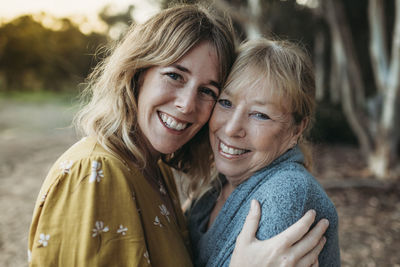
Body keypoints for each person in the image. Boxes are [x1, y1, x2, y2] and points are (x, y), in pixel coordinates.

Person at [28, 5, 329, 267]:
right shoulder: (95, 174)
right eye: (175, 76)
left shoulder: (155, 170)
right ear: (138, 72)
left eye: (208, 91)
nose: (187, 104)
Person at [188, 38, 341, 267]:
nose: (231, 129)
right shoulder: (215, 187)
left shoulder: (287, 194)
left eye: (260, 114)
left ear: (296, 129)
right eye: (226, 102)